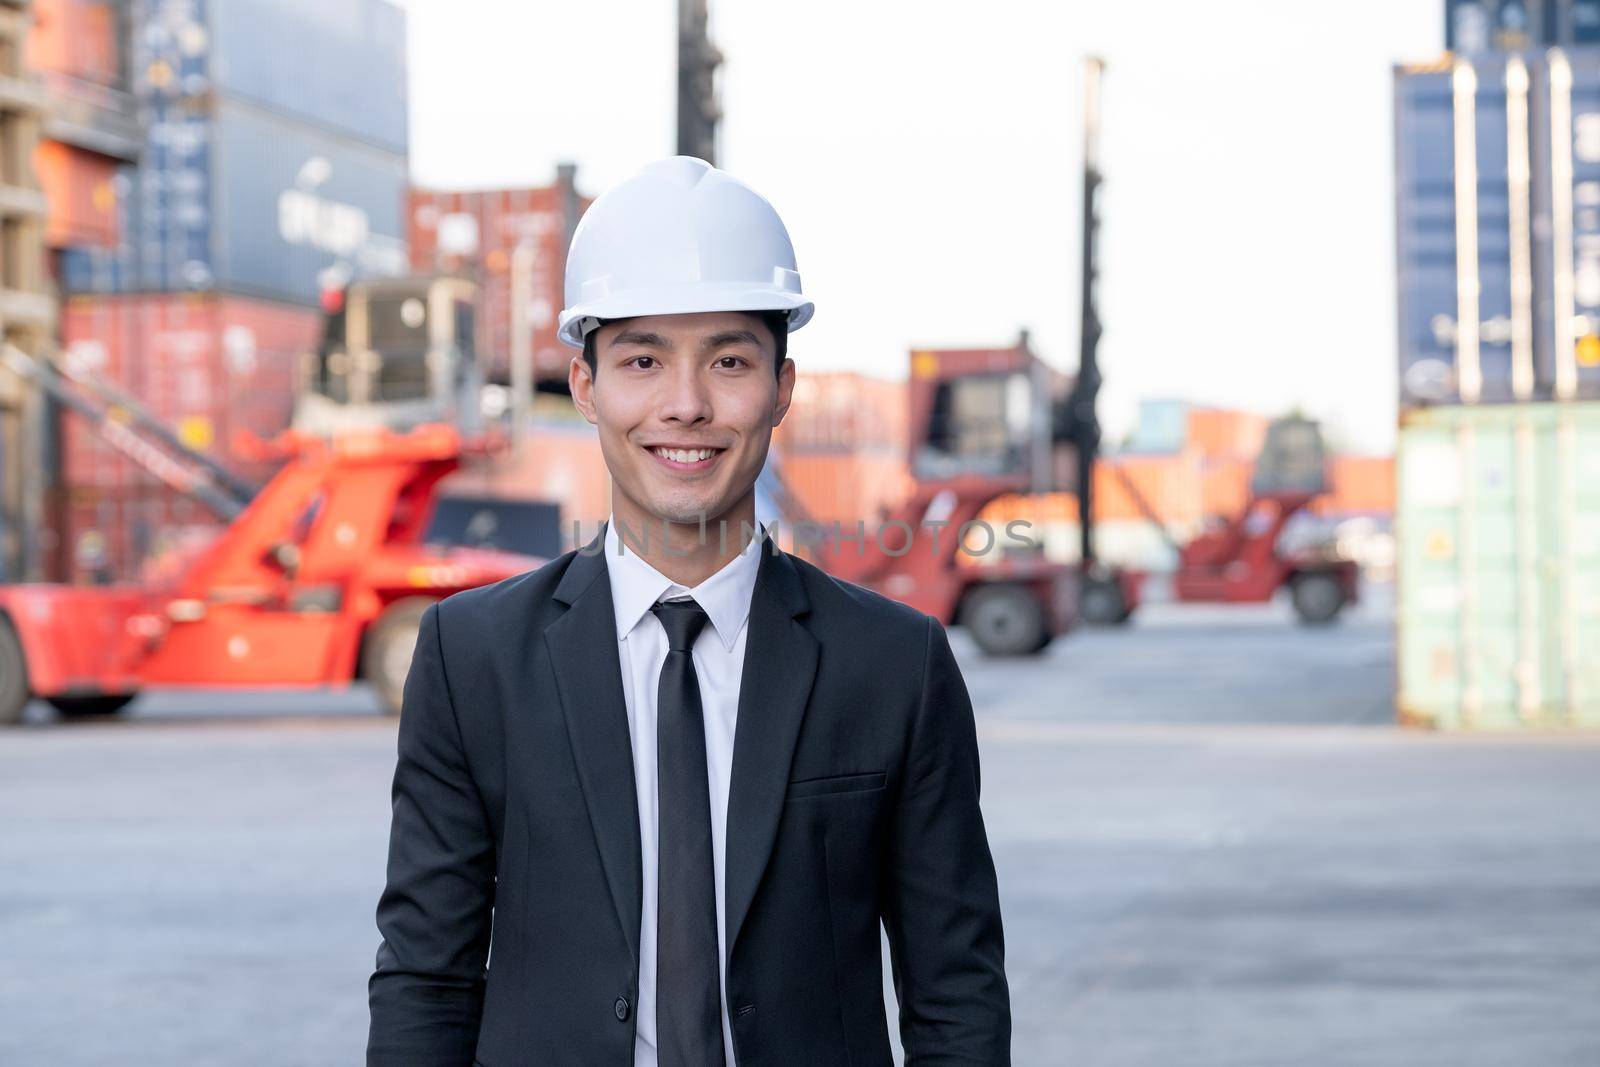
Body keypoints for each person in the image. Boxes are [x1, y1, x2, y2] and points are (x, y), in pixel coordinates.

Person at [367, 156, 1011, 1066]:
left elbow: (956, 992)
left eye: (729, 360)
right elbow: (425, 976)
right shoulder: (473, 660)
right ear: (585, 386)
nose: (686, 405)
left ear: (783, 387)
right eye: (642, 359)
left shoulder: (893, 665)